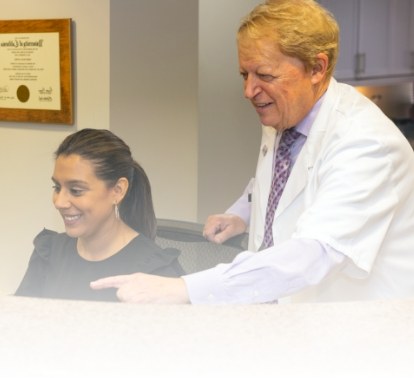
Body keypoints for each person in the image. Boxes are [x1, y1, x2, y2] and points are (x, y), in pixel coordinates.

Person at [90, 0, 414, 304]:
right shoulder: (287, 113)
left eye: (265, 75)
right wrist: (242, 213)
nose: (249, 91)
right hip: (286, 313)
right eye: (245, 74)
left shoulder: (369, 146)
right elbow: (283, 178)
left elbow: (313, 253)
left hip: (358, 330)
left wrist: (186, 288)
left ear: (317, 68)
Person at [15, 128, 184, 302]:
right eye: (57, 188)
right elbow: (19, 322)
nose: (59, 202)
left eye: (76, 190)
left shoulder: (157, 272)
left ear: (117, 191)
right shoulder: (48, 253)